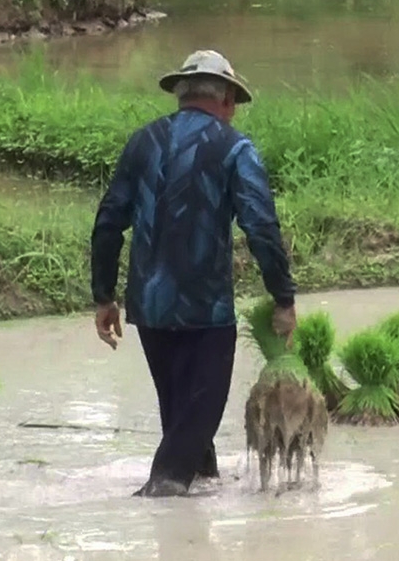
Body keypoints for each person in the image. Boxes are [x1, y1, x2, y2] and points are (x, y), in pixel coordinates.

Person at [90, 50, 298, 498]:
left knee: (181, 416)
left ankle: (197, 497)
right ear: (225, 100)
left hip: (150, 308)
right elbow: (260, 225)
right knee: (197, 415)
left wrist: (103, 296)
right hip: (206, 308)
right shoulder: (235, 148)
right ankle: (161, 494)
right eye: (234, 104)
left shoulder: (141, 142)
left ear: (182, 96)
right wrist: (283, 297)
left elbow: (109, 221)